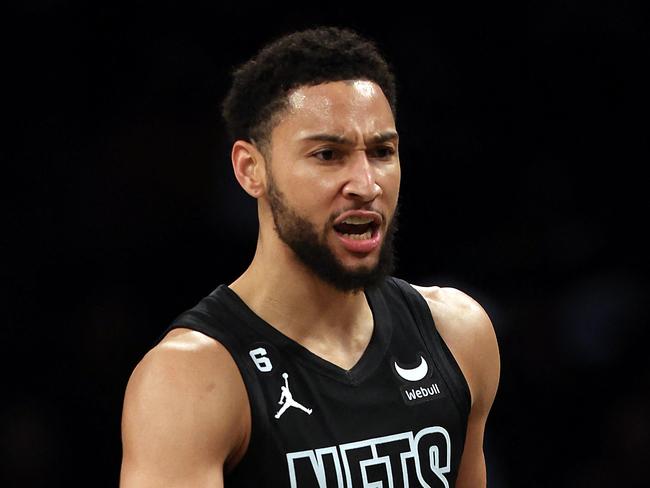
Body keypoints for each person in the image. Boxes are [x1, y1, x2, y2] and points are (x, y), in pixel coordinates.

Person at [120, 26, 500, 487]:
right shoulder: (191, 379)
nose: (366, 184)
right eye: (327, 154)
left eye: (382, 151)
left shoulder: (457, 334)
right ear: (250, 170)